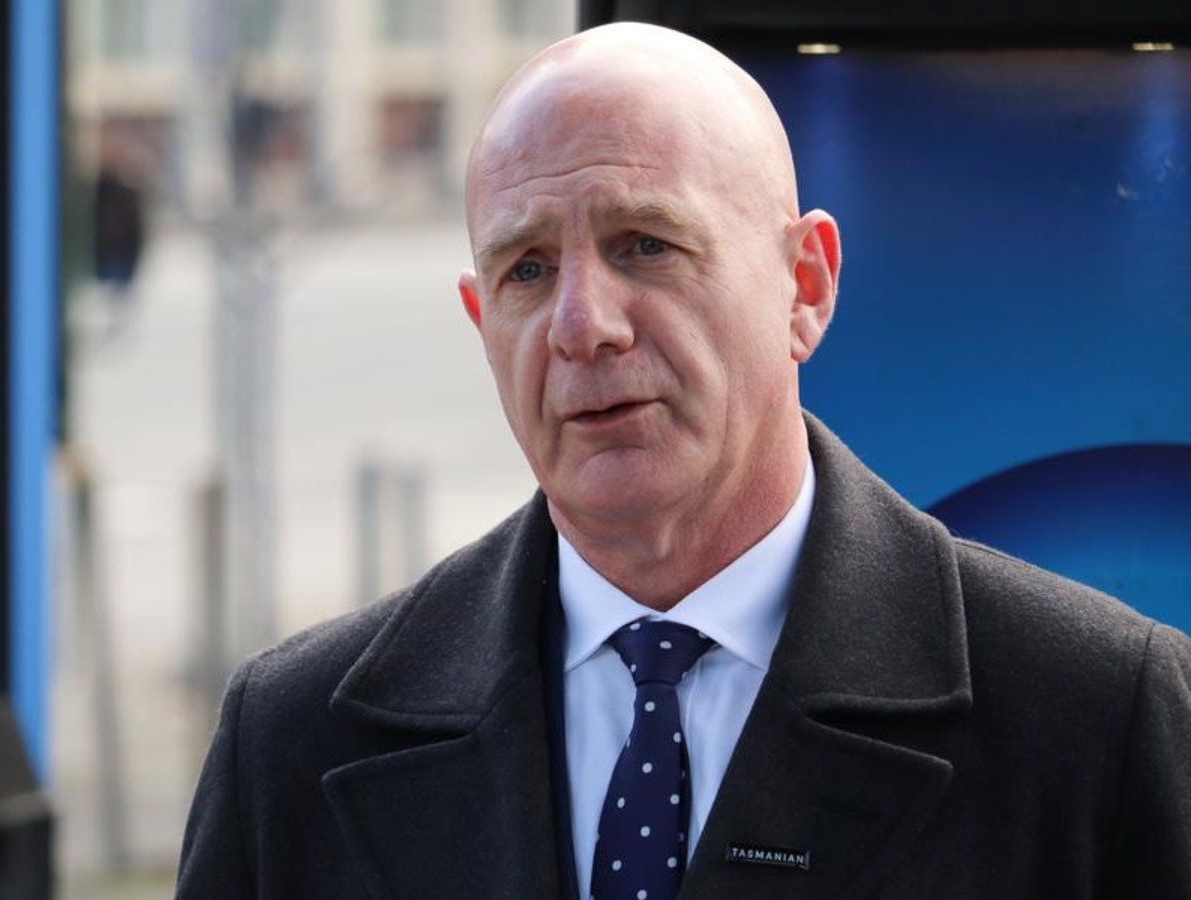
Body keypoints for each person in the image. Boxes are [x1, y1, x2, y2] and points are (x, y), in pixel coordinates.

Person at [176, 22, 1191, 899]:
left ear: (805, 286)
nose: (583, 325)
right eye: (528, 269)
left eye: (645, 244)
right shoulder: (293, 743)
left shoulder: (1096, 719)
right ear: (482, 325)